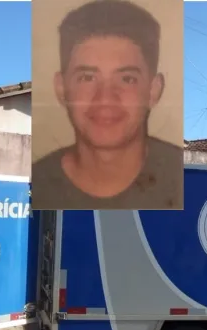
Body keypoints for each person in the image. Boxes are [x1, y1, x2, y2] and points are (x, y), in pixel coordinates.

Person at [32, 0, 183, 210]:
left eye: (127, 79)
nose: (105, 98)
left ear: (153, 90)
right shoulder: (36, 187)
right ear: (61, 88)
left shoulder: (182, 178)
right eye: (87, 77)